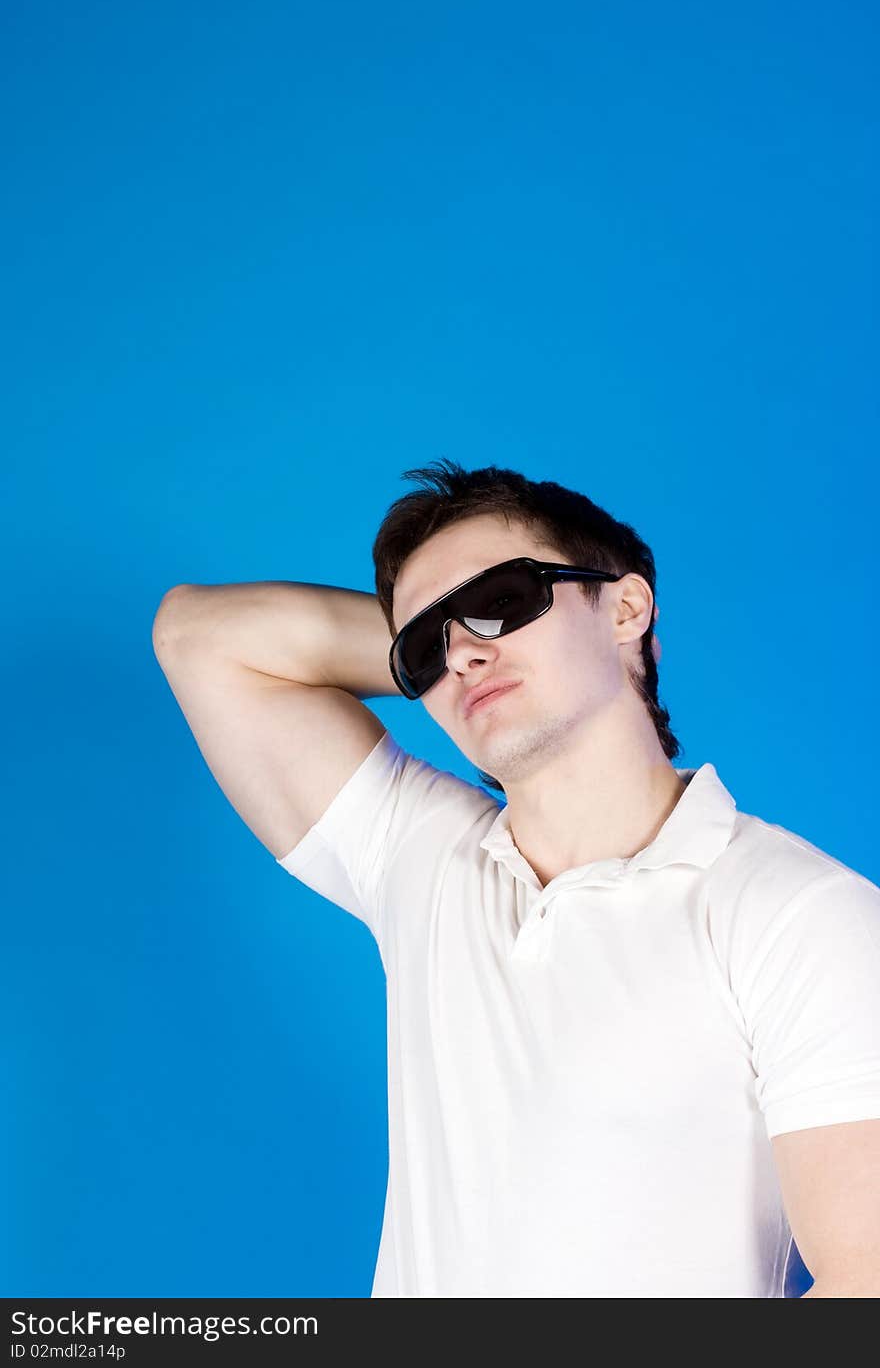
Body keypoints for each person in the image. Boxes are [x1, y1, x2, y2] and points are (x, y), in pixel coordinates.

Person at [152, 458, 880, 1298]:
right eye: (426, 641)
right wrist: (463, 654)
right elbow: (197, 636)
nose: (461, 649)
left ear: (629, 607)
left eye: (504, 600)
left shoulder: (796, 912)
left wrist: (474, 645)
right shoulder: (423, 859)